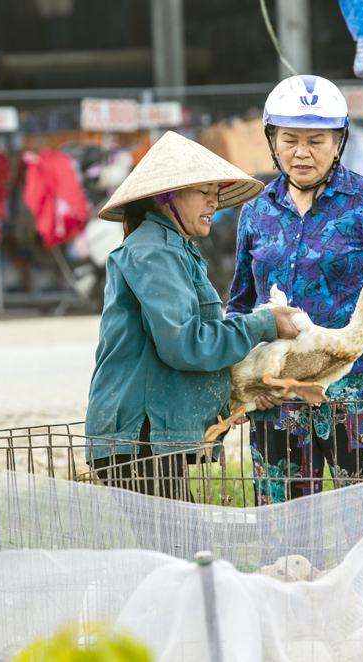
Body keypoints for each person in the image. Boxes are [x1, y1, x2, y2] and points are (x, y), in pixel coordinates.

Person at [227, 75, 363, 504]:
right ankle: (291, 574)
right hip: (279, 391)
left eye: (317, 140)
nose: (302, 152)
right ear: (272, 140)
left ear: (339, 142)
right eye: (289, 139)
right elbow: (240, 303)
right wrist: (238, 384)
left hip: (357, 388)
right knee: (284, 518)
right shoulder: (256, 210)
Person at [86, 131, 301, 501]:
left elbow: (202, 341)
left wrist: (244, 390)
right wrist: (266, 323)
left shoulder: (178, 250)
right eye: (204, 191)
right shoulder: (153, 252)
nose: (214, 201)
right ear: (167, 196)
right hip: (141, 437)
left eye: (217, 191)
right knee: (180, 552)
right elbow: (186, 344)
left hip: (153, 436)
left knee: (176, 550)